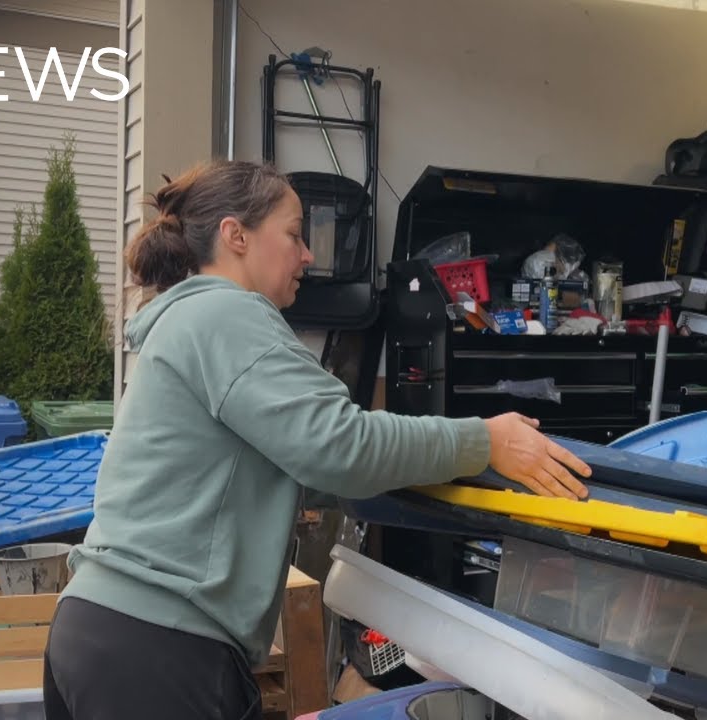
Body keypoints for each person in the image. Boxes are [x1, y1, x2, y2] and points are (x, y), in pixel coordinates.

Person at [42, 159, 591, 720]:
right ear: (236, 235)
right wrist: (483, 441)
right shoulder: (226, 314)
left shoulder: (187, 322)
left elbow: (297, 460)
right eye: (294, 234)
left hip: (100, 635)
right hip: (159, 648)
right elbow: (339, 446)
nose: (307, 254)